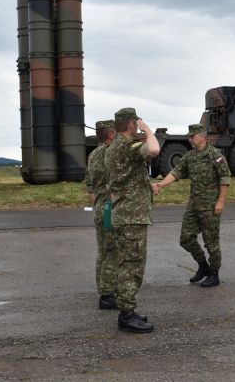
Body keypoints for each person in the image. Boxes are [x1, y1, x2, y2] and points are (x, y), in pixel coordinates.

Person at [153, 124, 231, 287]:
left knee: (211, 242)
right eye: (189, 136)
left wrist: (221, 201)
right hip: (194, 205)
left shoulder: (215, 155)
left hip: (210, 206)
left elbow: (225, 178)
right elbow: (175, 173)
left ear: (203, 136)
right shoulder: (189, 156)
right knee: (186, 239)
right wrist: (161, 184)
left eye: (192, 136)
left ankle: (214, 274)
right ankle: (203, 266)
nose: (189, 139)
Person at [104, 108, 160, 333]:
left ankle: (127, 309)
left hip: (122, 213)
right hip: (132, 217)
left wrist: (147, 186)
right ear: (130, 124)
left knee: (125, 263)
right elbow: (154, 149)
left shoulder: (112, 148)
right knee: (132, 265)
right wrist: (147, 129)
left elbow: (123, 180)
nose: (137, 127)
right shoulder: (128, 146)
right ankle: (126, 315)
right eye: (136, 123)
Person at [84, 120, 119, 310]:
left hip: (99, 207)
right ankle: (107, 294)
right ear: (111, 134)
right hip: (108, 209)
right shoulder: (110, 154)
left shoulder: (93, 155)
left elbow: (90, 187)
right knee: (111, 251)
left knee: (103, 251)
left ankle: (104, 288)